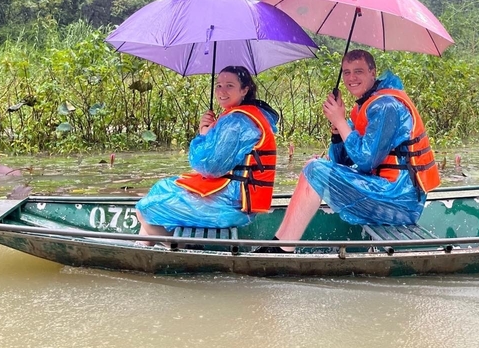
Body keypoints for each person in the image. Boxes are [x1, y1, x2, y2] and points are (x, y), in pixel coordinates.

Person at [257, 49, 440, 253]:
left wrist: (340, 121)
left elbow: (366, 161)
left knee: (316, 169)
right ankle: (279, 242)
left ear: (373, 72)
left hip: (399, 201)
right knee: (313, 166)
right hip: (382, 191)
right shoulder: (365, 105)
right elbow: (342, 161)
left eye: (358, 71)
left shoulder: (387, 106)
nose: (351, 78)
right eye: (346, 72)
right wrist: (338, 132)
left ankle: (282, 248)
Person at [135, 65, 279, 242]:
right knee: (161, 187)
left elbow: (209, 167)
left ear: (245, 90)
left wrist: (203, 135)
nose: (222, 91)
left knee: (144, 209)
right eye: (218, 85)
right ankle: (143, 247)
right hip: (235, 199)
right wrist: (209, 132)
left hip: (231, 207)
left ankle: (176, 249)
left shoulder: (237, 121)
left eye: (230, 85)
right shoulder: (242, 115)